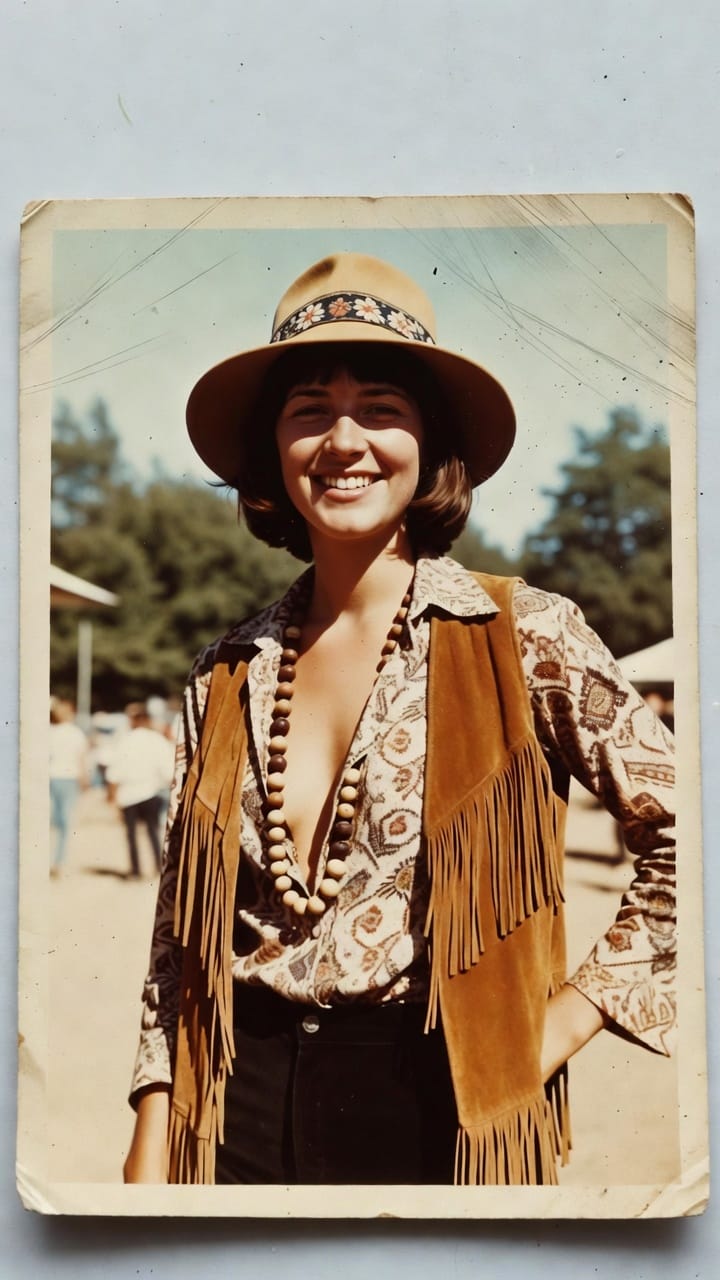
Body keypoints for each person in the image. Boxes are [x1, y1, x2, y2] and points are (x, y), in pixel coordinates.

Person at [123, 253, 675, 1187]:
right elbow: (181, 938)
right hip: (231, 1112)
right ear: (273, 453)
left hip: (440, 1103)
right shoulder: (225, 670)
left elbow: (689, 836)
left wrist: (548, 1032)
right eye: (309, 411)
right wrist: (148, 1138)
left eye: (381, 406)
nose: (344, 440)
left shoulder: (523, 633)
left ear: (430, 445)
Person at [106, 703, 175, 879]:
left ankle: (135, 870)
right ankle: (158, 867)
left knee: (131, 834)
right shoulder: (157, 740)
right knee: (153, 831)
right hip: (151, 791)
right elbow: (167, 770)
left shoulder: (125, 740)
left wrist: (112, 795)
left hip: (128, 794)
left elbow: (115, 770)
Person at [49, 696, 89, 877]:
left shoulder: (49, 732)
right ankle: (59, 860)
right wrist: (84, 781)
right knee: (65, 824)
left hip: (49, 777)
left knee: (50, 821)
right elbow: (81, 760)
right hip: (69, 778)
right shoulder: (75, 733)